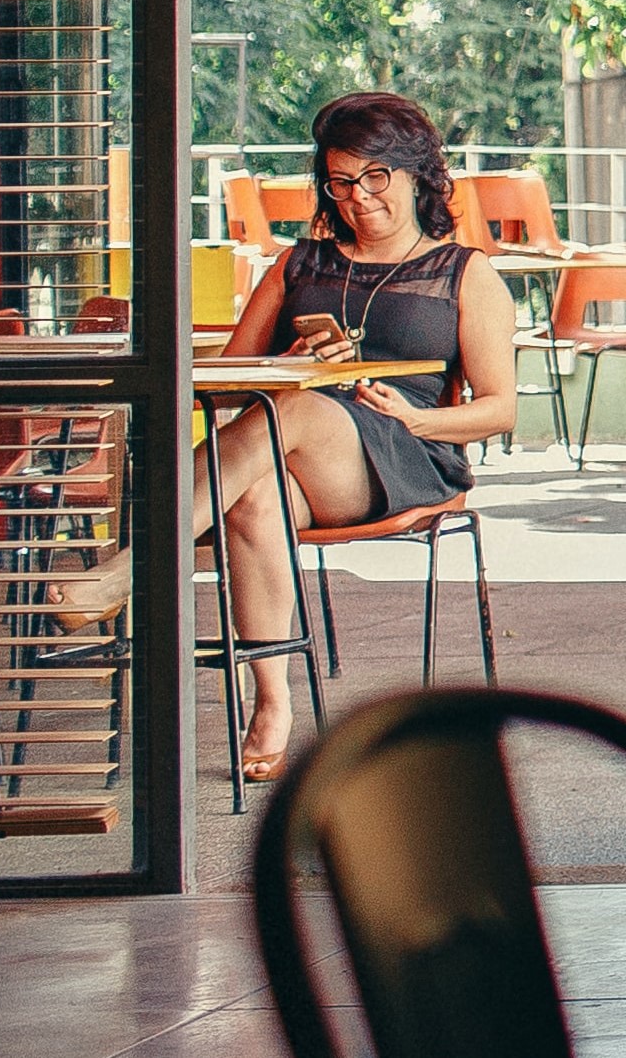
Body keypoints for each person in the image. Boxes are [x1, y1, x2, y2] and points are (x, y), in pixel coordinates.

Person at [189, 91, 521, 777]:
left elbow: (498, 411)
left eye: (375, 177)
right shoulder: (297, 265)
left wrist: (414, 418)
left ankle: (137, 564)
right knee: (256, 495)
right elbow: (224, 387)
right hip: (298, 457)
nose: (359, 198)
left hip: (407, 454)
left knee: (298, 410)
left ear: (417, 175)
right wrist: (288, 365)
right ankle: (272, 701)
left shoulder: (464, 273)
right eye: (340, 182)